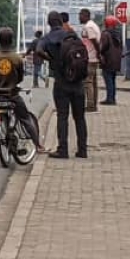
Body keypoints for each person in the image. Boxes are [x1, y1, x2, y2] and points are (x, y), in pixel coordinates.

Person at [0, 27, 45, 162]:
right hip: (12, 96)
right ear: (12, 41)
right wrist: (12, 85)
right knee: (25, 118)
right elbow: (20, 78)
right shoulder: (17, 59)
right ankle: (38, 145)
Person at [38, 11, 87, 159]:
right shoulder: (72, 36)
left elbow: (38, 51)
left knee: (62, 116)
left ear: (48, 23)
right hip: (78, 82)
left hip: (61, 83)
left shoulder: (47, 39)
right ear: (61, 21)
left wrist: (51, 59)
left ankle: (63, 149)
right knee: (79, 117)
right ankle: (82, 150)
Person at [78, 9, 103, 112]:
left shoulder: (89, 27)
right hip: (92, 57)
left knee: (88, 82)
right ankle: (93, 104)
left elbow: (94, 41)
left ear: (85, 15)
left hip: (90, 58)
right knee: (93, 82)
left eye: (80, 15)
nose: (79, 17)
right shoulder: (92, 25)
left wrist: (98, 53)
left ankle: (90, 105)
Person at [100, 15, 123, 105]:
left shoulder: (106, 34)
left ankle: (110, 99)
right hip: (116, 61)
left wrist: (100, 53)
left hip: (108, 60)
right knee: (112, 80)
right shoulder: (118, 34)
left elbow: (103, 47)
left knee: (108, 79)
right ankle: (112, 97)